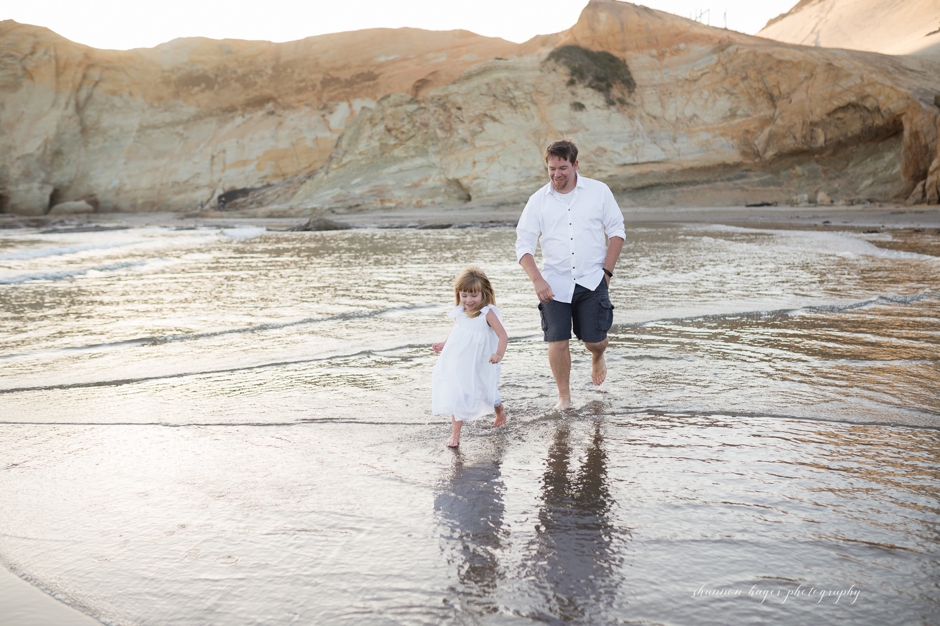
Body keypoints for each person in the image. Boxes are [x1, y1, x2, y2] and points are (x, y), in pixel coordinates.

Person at [515, 139, 625, 411]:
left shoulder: (599, 192)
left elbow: (616, 232)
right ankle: (564, 397)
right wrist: (537, 280)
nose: (556, 174)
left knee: (595, 341)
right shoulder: (538, 201)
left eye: (562, 168)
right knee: (557, 340)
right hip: (554, 283)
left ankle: (597, 356)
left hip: (592, 279)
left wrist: (606, 273)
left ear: (575, 165)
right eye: (551, 169)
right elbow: (523, 245)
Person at [432, 267, 509, 447]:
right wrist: (444, 344)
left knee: (488, 393)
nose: (468, 300)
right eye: (464, 295)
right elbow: (458, 331)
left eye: (474, 295)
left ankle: (500, 410)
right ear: (458, 294)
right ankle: (455, 434)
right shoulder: (460, 310)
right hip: (461, 359)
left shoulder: (487, 313)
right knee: (458, 392)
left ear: (484, 293)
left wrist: (498, 354)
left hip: (483, 361)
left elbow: (503, 335)